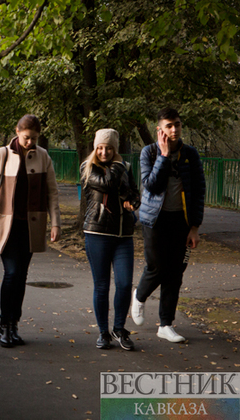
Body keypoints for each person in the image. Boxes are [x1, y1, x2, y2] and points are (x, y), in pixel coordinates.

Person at [0, 114, 61, 348]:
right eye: (26, 137)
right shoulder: (1, 154)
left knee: (21, 276)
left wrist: (56, 222)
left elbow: (52, 193)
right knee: (12, 274)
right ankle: (4, 325)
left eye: (34, 138)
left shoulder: (43, 157)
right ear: (17, 132)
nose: (30, 142)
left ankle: (14, 325)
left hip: (30, 227)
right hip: (6, 227)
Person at [131, 108, 206, 343]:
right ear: (159, 129)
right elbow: (150, 186)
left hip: (180, 221)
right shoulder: (149, 152)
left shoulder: (190, 154)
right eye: (169, 126)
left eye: (178, 125)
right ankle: (139, 296)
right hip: (154, 219)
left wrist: (194, 227)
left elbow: (198, 191)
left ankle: (165, 325)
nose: (174, 130)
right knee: (156, 266)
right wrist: (163, 157)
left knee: (175, 273)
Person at [80, 129, 140, 350]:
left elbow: (134, 193)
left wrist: (133, 203)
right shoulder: (88, 169)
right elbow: (107, 183)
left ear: (115, 149)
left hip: (124, 235)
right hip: (98, 233)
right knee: (102, 285)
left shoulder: (126, 168)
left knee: (124, 284)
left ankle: (119, 329)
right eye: (100, 147)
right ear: (95, 148)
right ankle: (103, 333)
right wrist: (118, 166)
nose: (103, 151)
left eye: (109, 148)